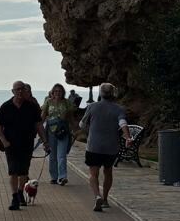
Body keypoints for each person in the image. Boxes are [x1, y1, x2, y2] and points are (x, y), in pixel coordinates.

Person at [78, 82, 130, 213]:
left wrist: (88, 129)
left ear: (101, 93)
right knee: (108, 172)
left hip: (94, 146)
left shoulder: (92, 107)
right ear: (113, 94)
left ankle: (97, 196)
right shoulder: (119, 109)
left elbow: (82, 124)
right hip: (111, 147)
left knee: (93, 174)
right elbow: (123, 123)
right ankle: (105, 199)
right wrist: (128, 137)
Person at [0, 81, 45, 211]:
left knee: (23, 171)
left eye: (22, 89)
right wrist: (4, 140)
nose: (20, 92)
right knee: (13, 171)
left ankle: (19, 193)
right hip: (10, 144)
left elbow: (38, 124)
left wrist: (45, 140)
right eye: (17, 89)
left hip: (27, 143)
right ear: (12, 91)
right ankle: (14, 198)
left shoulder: (32, 107)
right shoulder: (6, 106)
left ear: (26, 90)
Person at [40, 83, 76, 185]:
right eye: (55, 91)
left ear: (63, 92)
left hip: (63, 131)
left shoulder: (67, 103)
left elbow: (71, 117)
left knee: (62, 155)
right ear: (52, 92)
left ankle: (62, 177)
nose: (57, 93)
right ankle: (54, 177)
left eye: (60, 91)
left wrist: (75, 129)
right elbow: (42, 117)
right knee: (52, 155)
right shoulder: (48, 102)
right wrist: (38, 129)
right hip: (51, 131)